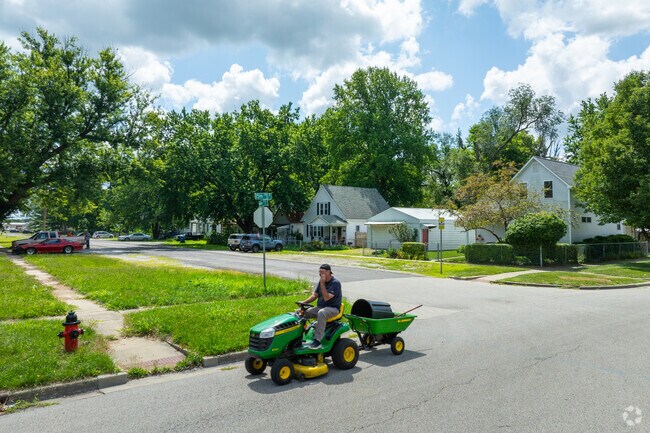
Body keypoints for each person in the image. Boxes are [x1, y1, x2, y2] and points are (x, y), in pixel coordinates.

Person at [299, 264, 342, 349]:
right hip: (320, 307)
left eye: (322, 272)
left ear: (328, 272)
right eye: (319, 272)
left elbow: (326, 298)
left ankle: (317, 341)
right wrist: (303, 303)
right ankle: (298, 337)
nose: (320, 274)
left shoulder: (335, 283)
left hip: (333, 309)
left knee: (321, 313)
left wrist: (322, 284)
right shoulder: (321, 282)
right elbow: (315, 295)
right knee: (300, 312)